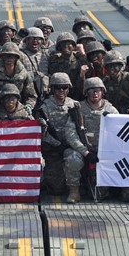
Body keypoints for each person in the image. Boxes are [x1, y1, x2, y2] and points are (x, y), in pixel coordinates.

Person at [38, 73, 89, 203]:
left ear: (68, 88)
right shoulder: (44, 107)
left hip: (71, 146)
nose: (61, 90)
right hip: (53, 149)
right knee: (55, 189)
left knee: (74, 159)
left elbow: (80, 127)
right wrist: (57, 144)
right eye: (58, 87)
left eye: (64, 87)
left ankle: (75, 190)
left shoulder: (74, 105)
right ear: (52, 88)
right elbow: (43, 133)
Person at [79, 77, 118, 201]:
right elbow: (71, 134)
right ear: (86, 92)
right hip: (86, 151)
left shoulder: (111, 110)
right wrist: (85, 152)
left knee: (99, 194)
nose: (95, 93)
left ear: (102, 92)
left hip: (105, 153)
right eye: (91, 90)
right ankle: (75, 188)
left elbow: (120, 131)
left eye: (98, 90)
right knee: (72, 158)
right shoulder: (79, 110)